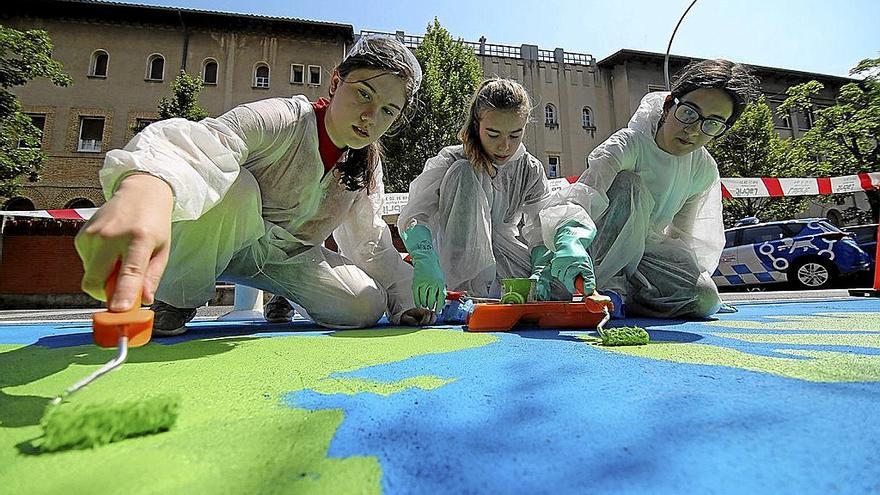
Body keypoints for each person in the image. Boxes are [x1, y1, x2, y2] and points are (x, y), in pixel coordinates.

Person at [75, 35, 435, 336]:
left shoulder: (365, 165)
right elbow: (205, 145)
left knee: (365, 305)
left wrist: (405, 300)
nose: (371, 117)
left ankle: (286, 296)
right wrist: (147, 185)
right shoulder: (283, 120)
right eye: (364, 94)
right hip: (226, 241)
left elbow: (370, 244)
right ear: (336, 82)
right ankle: (175, 298)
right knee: (237, 186)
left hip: (287, 261)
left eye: (389, 110)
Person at [570, 58, 758, 318]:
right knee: (628, 184)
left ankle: (628, 295)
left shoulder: (701, 167)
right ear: (670, 104)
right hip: (595, 249)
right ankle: (607, 286)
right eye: (689, 113)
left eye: (712, 123)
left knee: (703, 299)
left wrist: (691, 281)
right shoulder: (629, 144)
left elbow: (684, 237)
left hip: (647, 254)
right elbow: (584, 200)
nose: (693, 130)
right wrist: (570, 243)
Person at [397, 78, 596, 313]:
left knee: (558, 286)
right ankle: (461, 291)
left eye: (515, 135)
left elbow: (540, 223)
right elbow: (416, 215)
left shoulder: (529, 167)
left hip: (507, 253)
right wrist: (424, 258)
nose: (504, 146)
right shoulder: (452, 160)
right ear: (476, 126)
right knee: (463, 172)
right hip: (453, 258)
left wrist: (540, 270)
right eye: (493, 134)